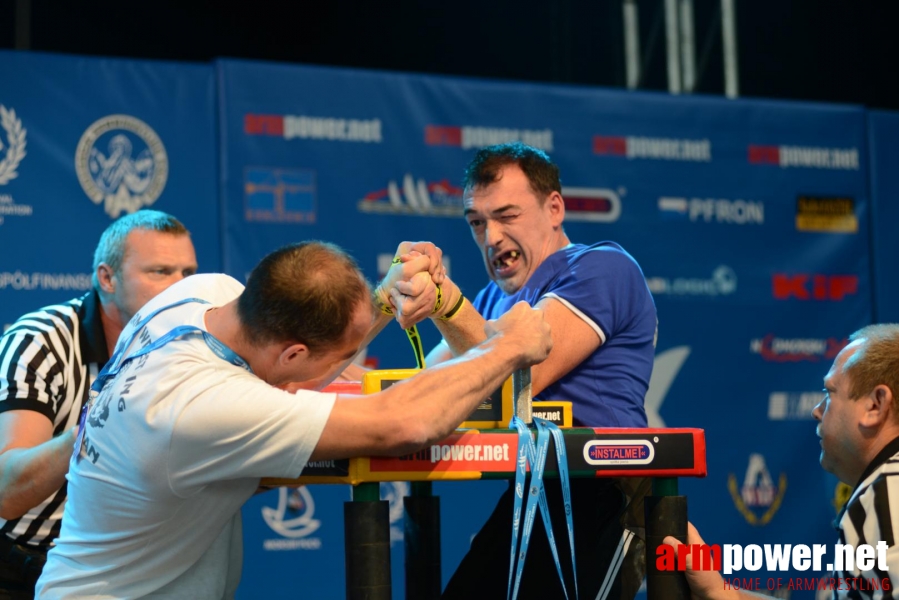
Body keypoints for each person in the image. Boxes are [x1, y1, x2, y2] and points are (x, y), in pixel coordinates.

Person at [34, 240, 552, 598]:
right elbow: (405, 422)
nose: (350, 367)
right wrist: (507, 346)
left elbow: (303, 352)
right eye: (341, 359)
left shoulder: (203, 297)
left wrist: (382, 294)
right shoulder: (204, 407)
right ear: (291, 356)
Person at [412, 143, 658, 599]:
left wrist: (446, 304)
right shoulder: (488, 301)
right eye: (477, 223)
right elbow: (423, 387)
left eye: (507, 216)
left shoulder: (602, 266)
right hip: (532, 492)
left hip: (605, 493)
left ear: (555, 208)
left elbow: (519, 375)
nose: (491, 237)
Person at [0, 210, 197, 597]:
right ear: (107, 278)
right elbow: (7, 489)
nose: (181, 289)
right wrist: (101, 425)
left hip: (130, 566)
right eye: (160, 272)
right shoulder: (41, 341)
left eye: (188, 274)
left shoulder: (192, 343)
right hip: (20, 564)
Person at [664, 324, 899, 600]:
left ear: (875, 405)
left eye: (830, 392)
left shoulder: (886, 494)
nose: (817, 410)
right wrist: (720, 592)